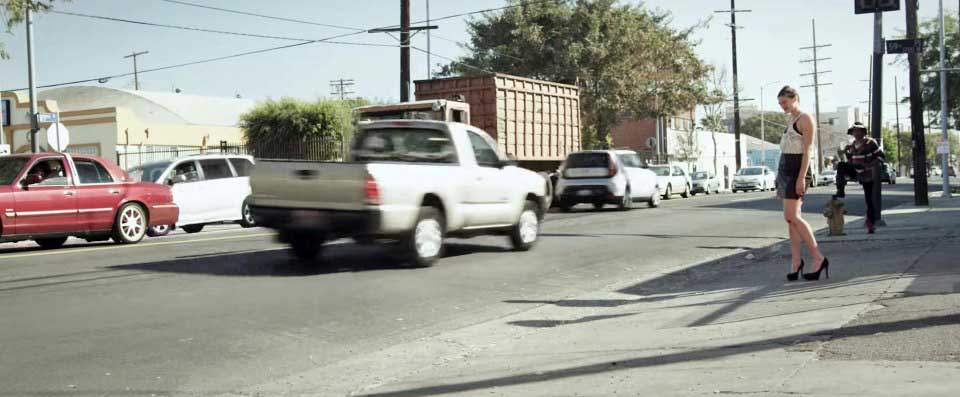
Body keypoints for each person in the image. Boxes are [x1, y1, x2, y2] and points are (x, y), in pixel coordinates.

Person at [774, 86, 829, 281]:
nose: (782, 106)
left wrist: (801, 177)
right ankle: (796, 261)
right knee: (790, 219)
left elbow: (807, 152)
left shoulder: (805, 118)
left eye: (784, 102)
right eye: (780, 103)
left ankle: (818, 258)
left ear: (794, 98)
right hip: (785, 167)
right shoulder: (791, 119)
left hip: (798, 168)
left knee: (793, 216)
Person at [834, 122, 883, 234]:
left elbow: (880, 157)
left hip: (867, 172)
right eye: (854, 131)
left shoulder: (871, 143)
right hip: (856, 170)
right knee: (841, 165)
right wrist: (846, 154)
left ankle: (870, 224)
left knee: (869, 200)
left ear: (863, 132)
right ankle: (840, 190)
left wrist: (869, 165)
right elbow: (851, 160)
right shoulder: (852, 145)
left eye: (858, 131)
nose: (856, 133)